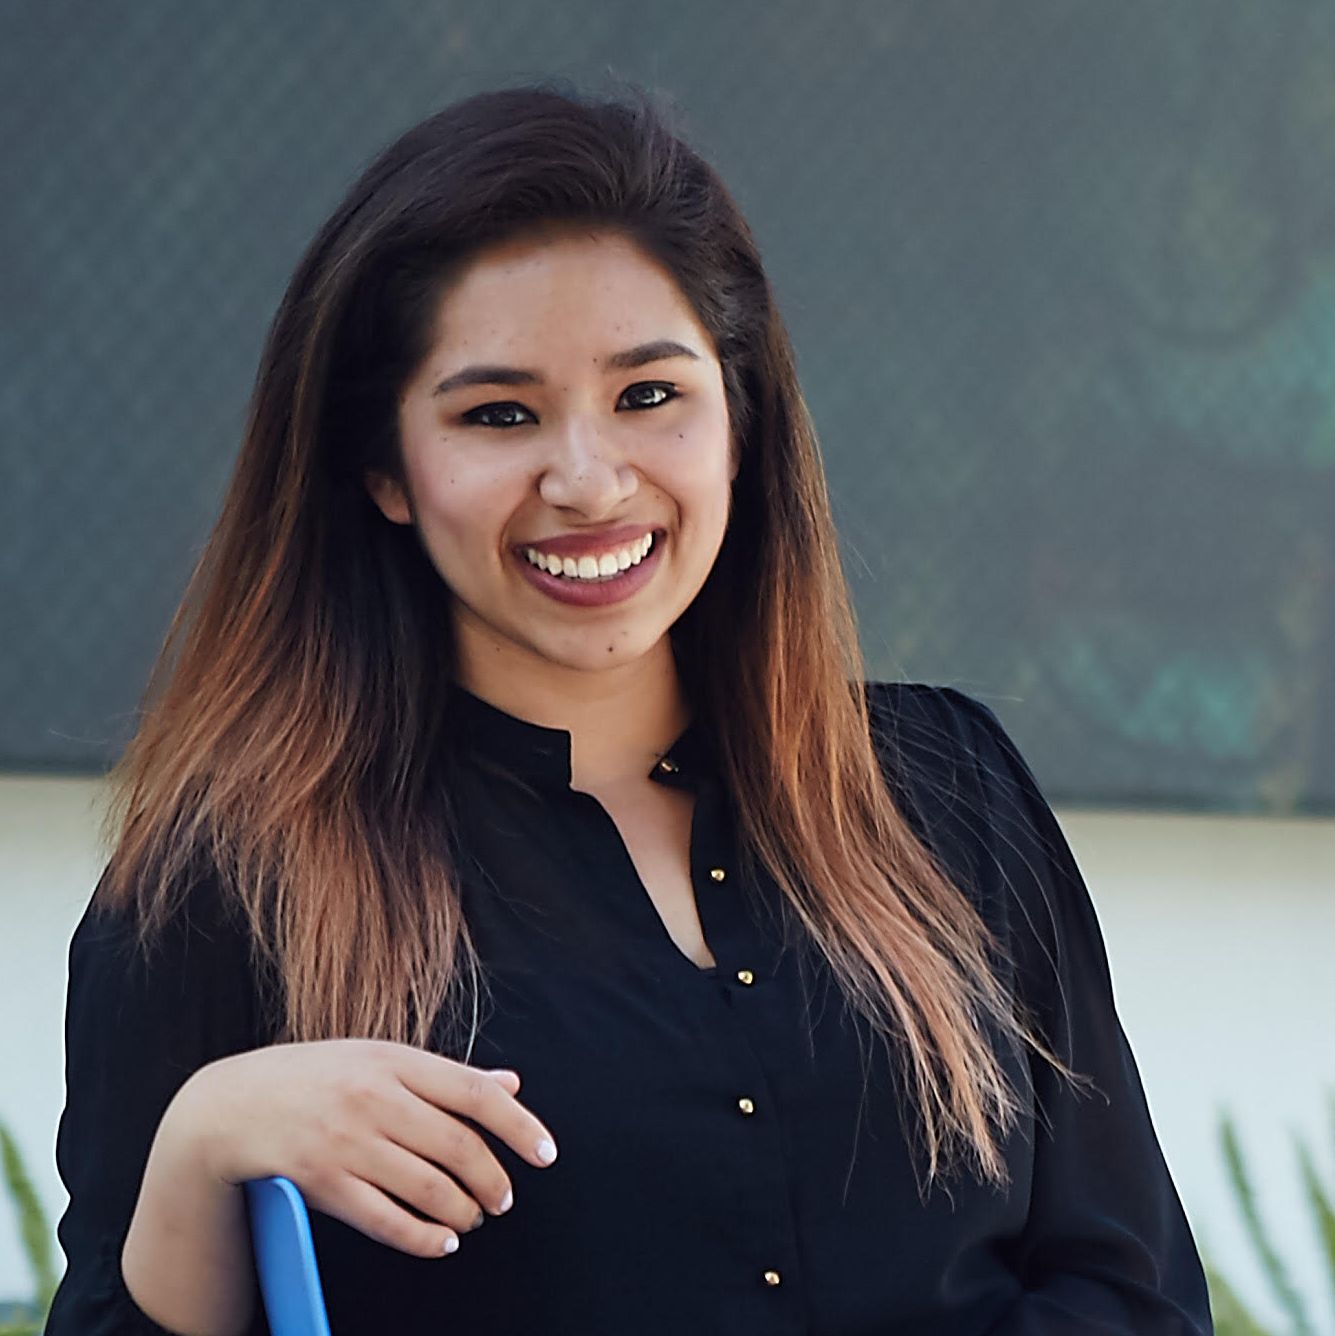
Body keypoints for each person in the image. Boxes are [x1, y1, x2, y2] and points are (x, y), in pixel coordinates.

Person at [47, 82, 1213, 1335]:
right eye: (498, 414)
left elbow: (1128, 1292)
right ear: (382, 467)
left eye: (649, 394)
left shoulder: (952, 789)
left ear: (738, 414)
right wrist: (205, 1136)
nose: (588, 479)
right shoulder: (223, 884)